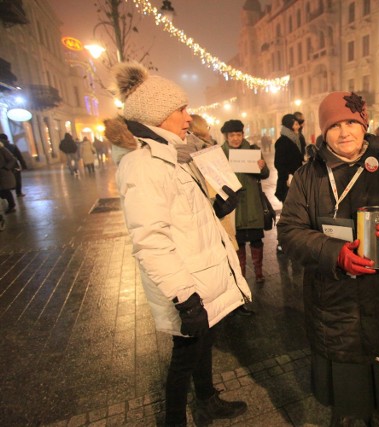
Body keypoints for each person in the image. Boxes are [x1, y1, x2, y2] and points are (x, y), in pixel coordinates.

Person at [277, 91, 379, 426]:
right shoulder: (309, 176)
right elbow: (289, 231)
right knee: (347, 399)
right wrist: (333, 253)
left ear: (365, 124)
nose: (345, 131)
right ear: (323, 131)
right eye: (335, 125)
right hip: (336, 306)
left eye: (352, 122)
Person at [111, 62, 250, 427]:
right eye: (180, 110)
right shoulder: (145, 165)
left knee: (203, 347)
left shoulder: (174, 156)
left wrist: (218, 205)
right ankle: (174, 420)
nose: (188, 116)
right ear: (158, 116)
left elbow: (187, 215)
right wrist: (184, 298)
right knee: (185, 356)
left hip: (204, 275)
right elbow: (150, 240)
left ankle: (206, 401)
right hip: (187, 284)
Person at [220, 119, 270, 288]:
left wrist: (262, 167)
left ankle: (259, 272)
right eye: (232, 135)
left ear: (243, 134)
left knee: (256, 240)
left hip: (253, 204)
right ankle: (241, 274)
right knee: (238, 243)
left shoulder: (253, 151)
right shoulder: (220, 154)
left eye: (238, 134)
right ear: (226, 137)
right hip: (233, 208)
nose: (235, 138)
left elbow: (265, 174)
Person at [274, 113, 304, 203]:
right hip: (288, 181)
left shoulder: (295, 139)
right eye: (296, 124)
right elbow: (279, 163)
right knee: (289, 207)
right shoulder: (282, 141)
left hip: (296, 178)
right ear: (289, 125)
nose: (298, 127)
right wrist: (288, 176)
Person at [0, 143, 18, 214]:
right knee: (3, 192)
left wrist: (6, 168)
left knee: (5, 190)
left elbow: (12, 159)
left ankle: (12, 206)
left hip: (4, 174)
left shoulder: (2, 150)